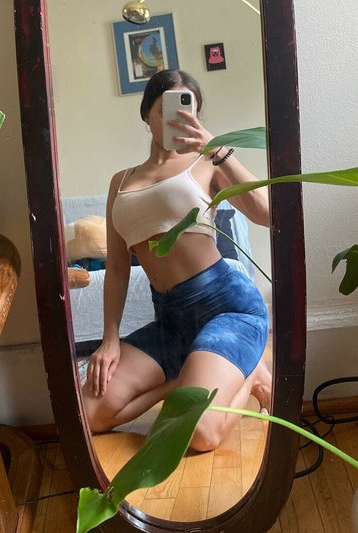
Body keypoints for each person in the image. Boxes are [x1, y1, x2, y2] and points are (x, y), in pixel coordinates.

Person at [82, 69, 271, 452]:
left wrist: (216, 149)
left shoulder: (207, 164)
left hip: (227, 310)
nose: (180, 117)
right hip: (170, 321)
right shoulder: (121, 181)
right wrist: (110, 340)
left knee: (198, 434)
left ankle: (250, 375)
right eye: (169, 107)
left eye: (190, 110)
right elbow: (117, 267)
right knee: (88, 414)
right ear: (147, 112)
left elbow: (268, 213)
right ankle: (179, 380)